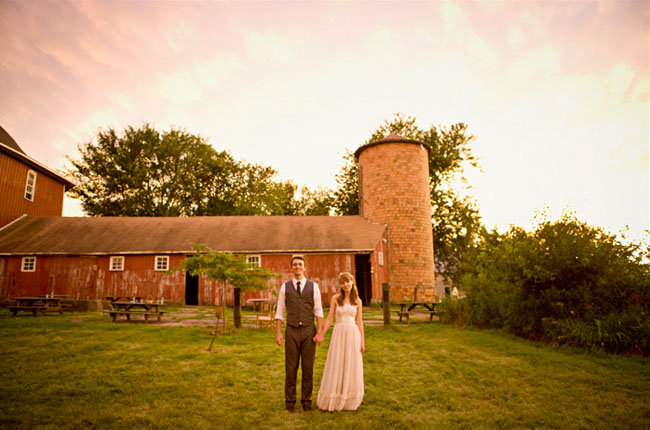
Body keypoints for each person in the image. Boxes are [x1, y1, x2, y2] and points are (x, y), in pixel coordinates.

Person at [275, 255, 324, 412]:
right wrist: (278, 332)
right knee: (291, 369)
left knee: (308, 369)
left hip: (309, 330)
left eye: (300, 264)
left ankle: (306, 402)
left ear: (304, 267)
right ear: (291, 268)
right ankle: (289, 402)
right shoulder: (285, 287)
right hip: (291, 330)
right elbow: (280, 311)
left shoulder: (313, 286)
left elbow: (318, 310)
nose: (297, 266)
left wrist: (320, 332)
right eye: (295, 264)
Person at [315, 272, 365, 411]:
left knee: (350, 363)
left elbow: (359, 322)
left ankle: (348, 397)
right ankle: (334, 396)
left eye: (347, 281)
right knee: (337, 361)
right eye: (342, 283)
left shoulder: (358, 301)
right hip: (339, 332)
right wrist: (321, 333)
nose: (345, 285)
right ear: (340, 285)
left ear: (352, 282)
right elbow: (330, 318)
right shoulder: (336, 299)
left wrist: (362, 341)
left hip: (352, 334)